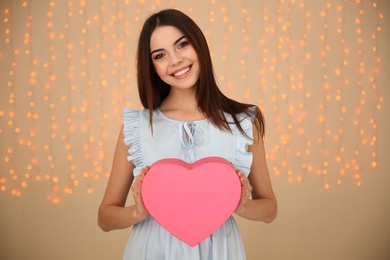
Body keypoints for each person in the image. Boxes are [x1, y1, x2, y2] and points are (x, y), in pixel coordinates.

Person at [98, 8, 277, 260]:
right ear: (152, 67)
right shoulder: (137, 127)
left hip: (220, 251)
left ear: (199, 44)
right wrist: (137, 212)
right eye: (160, 55)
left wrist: (243, 205)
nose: (175, 60)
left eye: (182, 45)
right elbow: (105, 217)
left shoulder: (244, 122)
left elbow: (270, 209)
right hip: (152, 251)